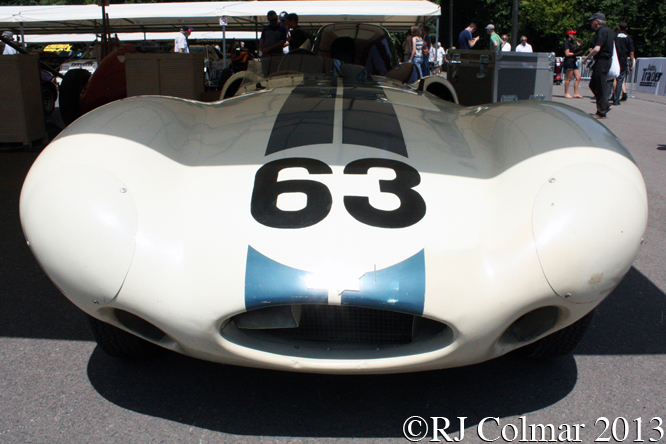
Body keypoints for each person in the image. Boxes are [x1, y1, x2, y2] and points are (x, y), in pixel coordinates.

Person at [582, 12, 614, 119]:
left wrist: (586, 58)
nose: (591, 23)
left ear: (597, 21)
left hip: (602, 60)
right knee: (594, 84)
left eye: (592, 21)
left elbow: (597, 48)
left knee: (600, 85)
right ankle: (604, 105)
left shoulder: (601, 31)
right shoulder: (608, 31)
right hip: (604, 60)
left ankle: (601, 111)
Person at [612, 22, 635, 105]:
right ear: (627, 29)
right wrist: (632, 63)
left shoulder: (614, 37)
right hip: (623, 61)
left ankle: (605, 97)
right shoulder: (628, 39)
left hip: (613, 60)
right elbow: (631, 53)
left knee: (610, 79)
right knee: (620, 80)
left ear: (619, 28)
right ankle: (616, 99)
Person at [563, 30, 584, 99]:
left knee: (578, 77)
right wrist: (576, 54)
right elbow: (567, 53)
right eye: (573, 34)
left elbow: (575, 50)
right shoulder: (566, 42)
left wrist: (578, 46)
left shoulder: (572, 42)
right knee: (569, 77)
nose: (574, 36)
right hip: (569, 61)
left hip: (573, 60)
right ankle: (566, 93)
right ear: (569, 34)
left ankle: (576, 93)